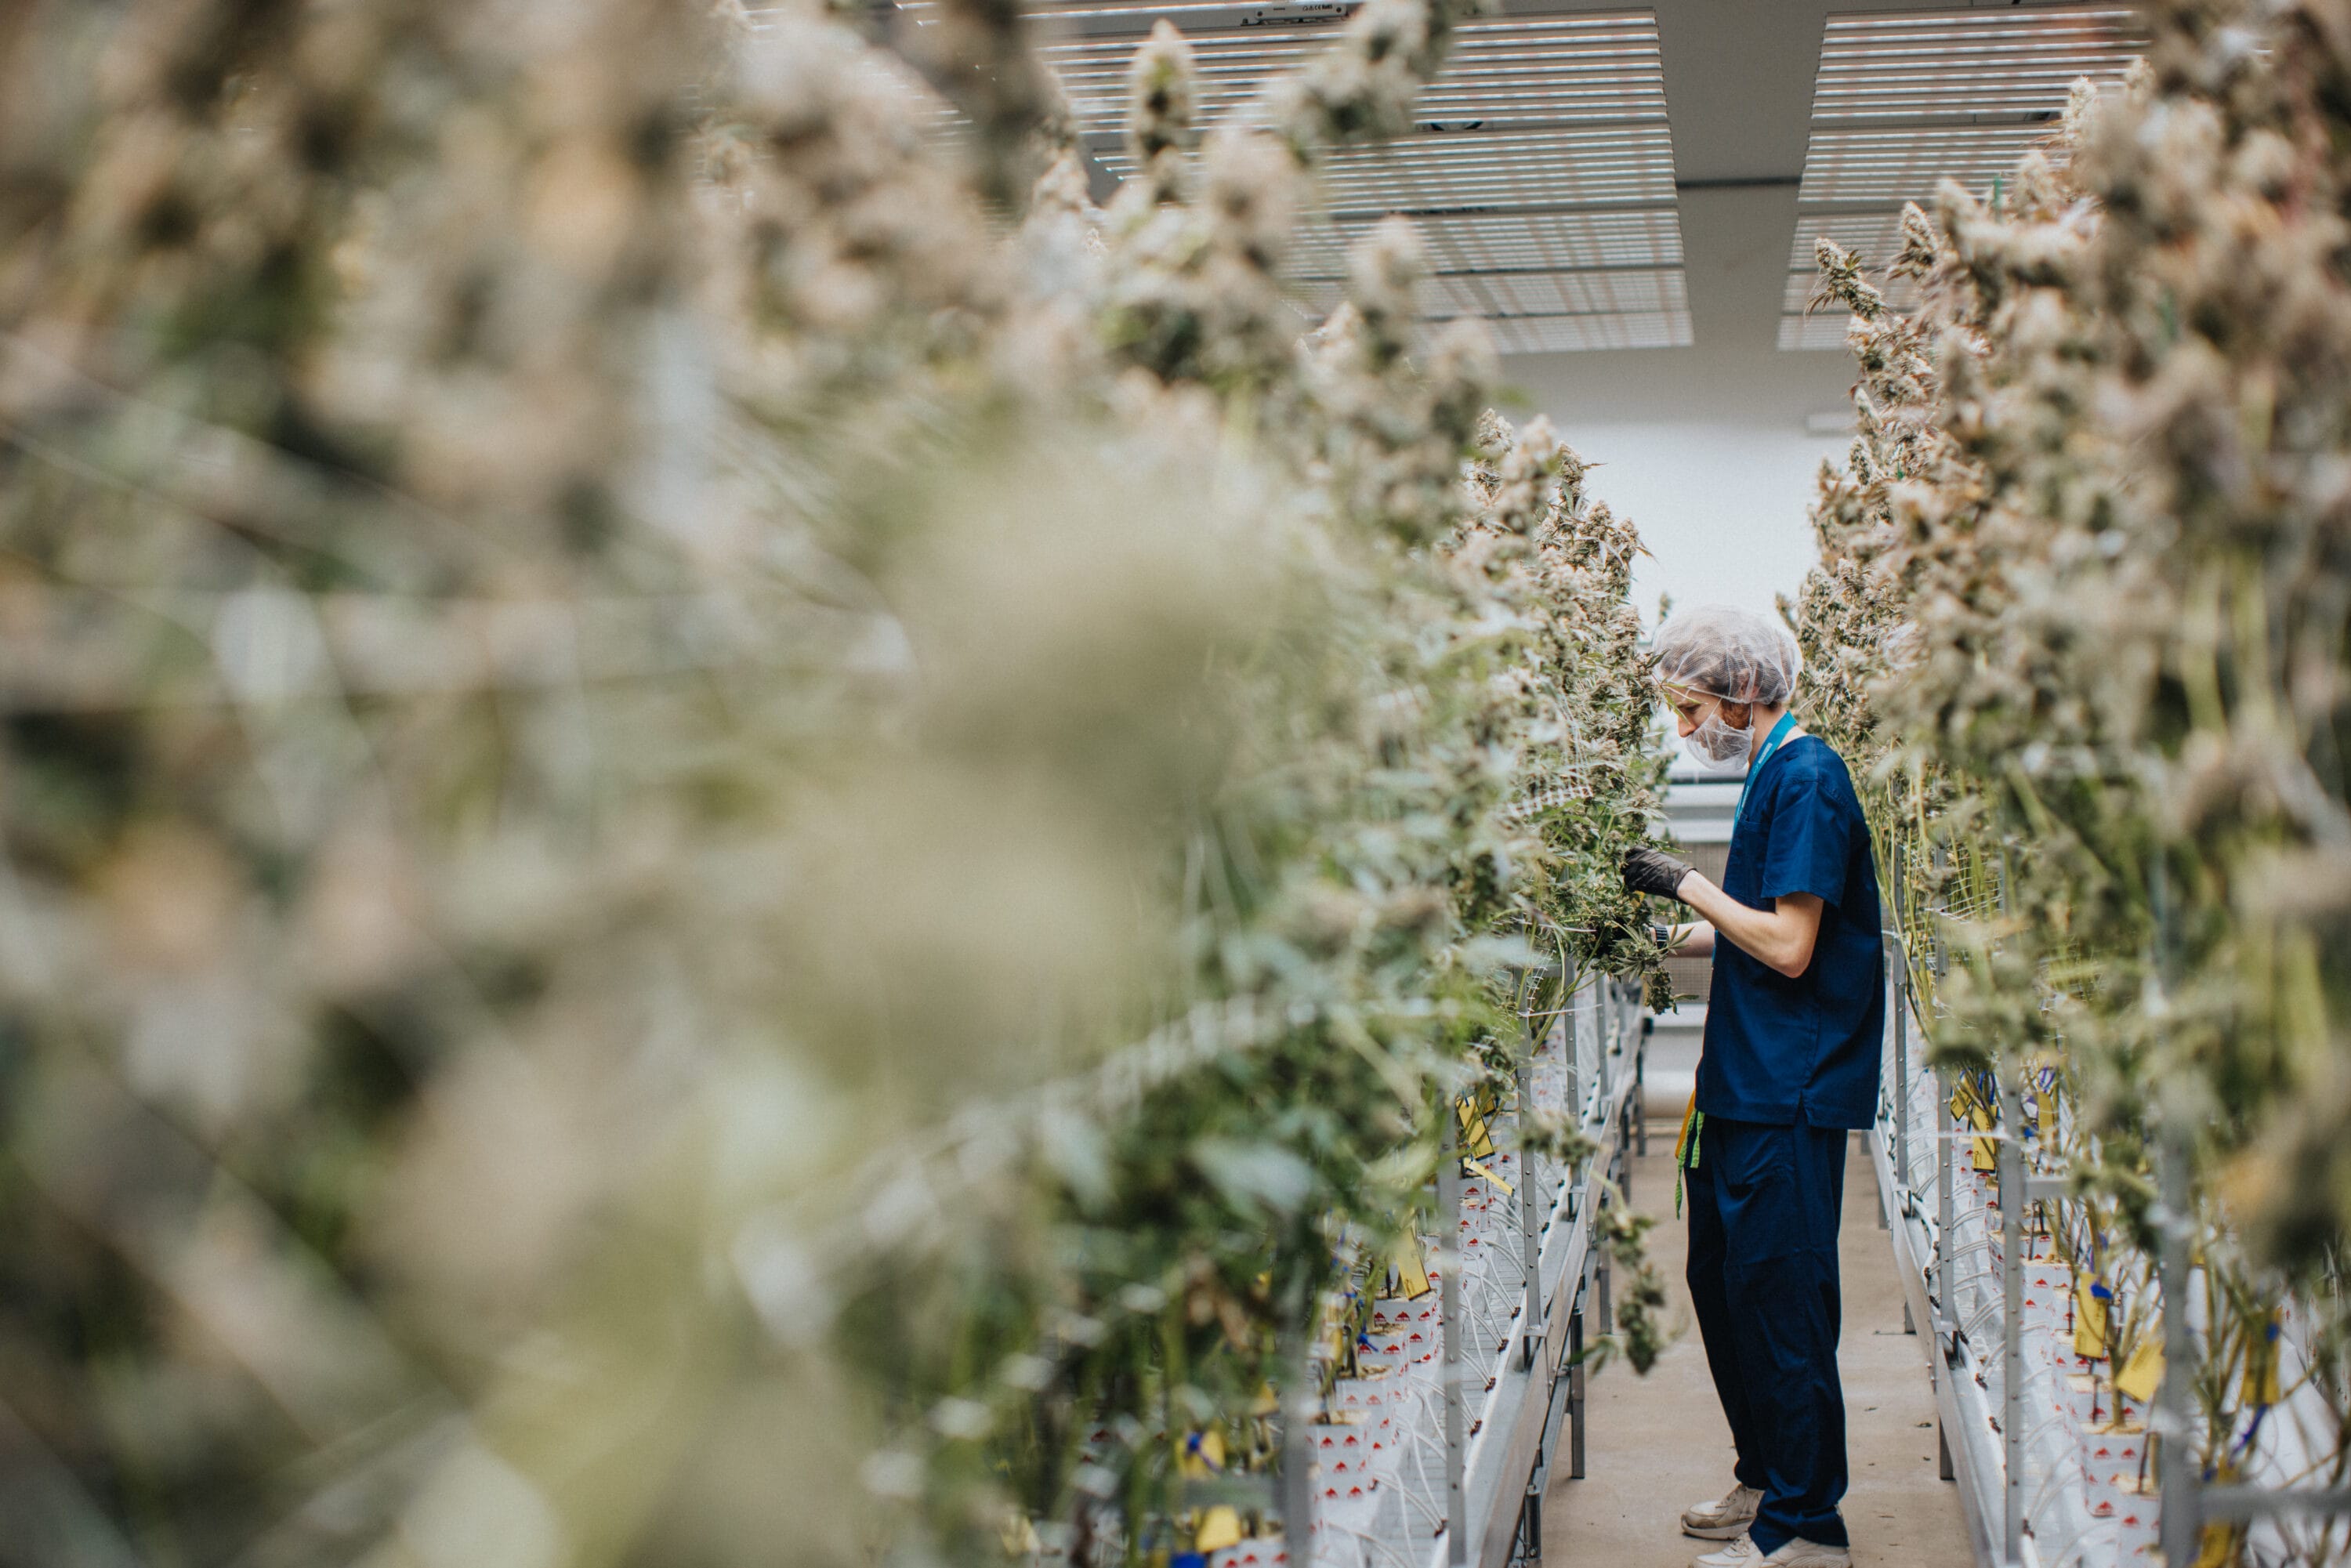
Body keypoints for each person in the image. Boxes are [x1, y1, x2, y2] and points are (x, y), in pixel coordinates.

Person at [1619, 606, 1885, 1568]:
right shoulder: (1771, 771)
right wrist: (1650, 936)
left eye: (1692, 710)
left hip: (1789, 1089)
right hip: (1739, 1084)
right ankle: (1768, 1476)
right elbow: (1751, 922)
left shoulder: (1810, 777)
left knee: (1782, 1299)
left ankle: (1809, 1528)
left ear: (1742, 689)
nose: (1687, 732)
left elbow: (1789, 941)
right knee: (1724, 1284)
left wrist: (1684, 886)